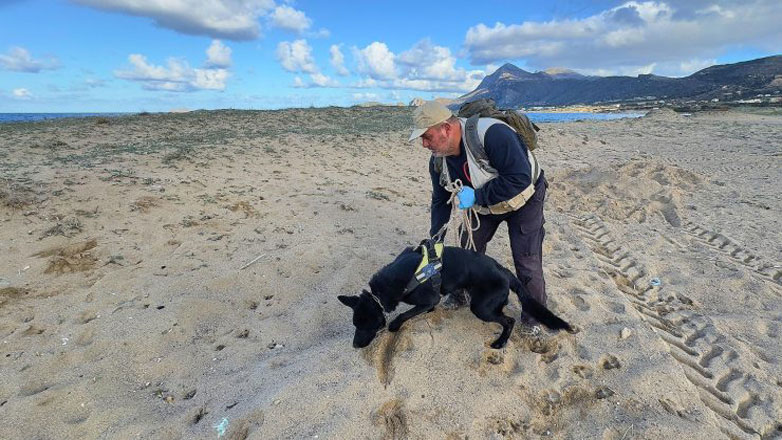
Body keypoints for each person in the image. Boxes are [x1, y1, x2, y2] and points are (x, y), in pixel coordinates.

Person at [409, 101, 549, 317]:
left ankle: (534, 320)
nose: (424, 144)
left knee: (526, 261)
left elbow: (519, 178)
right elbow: (440, 200)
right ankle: (461, 293)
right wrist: (436, 238)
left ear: (446, 128)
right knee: (467, 249)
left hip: (525, 199)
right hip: (485, 205)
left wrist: (477, 196)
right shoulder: (438, 161)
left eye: (427, 137)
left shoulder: (493, 134)